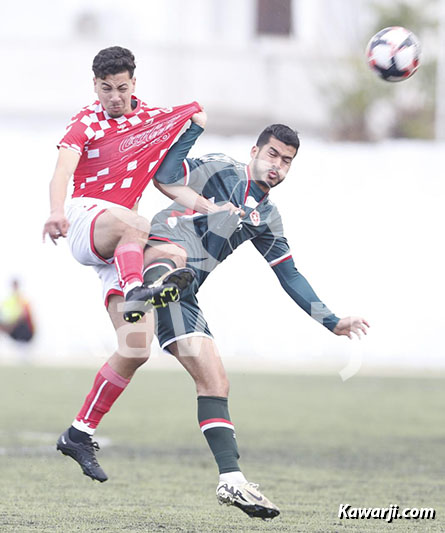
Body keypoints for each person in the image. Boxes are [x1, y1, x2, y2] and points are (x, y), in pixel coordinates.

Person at [56, 122, 369, 520]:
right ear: (254, 151)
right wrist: (191, 130)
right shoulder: (222, 170)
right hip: (153, 253)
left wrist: (332, 321)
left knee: (215, 381)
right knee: (174, 263)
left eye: (287, 161)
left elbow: (289, 274)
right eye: (272, 154)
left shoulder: (266, 217)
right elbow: (167, 176)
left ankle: (231, 480)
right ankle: (147, 290)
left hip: (183, 295)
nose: (277, 166)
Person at [42, 45, 213, 323]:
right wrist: (56, 211)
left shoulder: (151, 120)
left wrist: (195, 128)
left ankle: (149, 290)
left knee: (174, 255)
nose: (115, 98)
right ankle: (138, 289)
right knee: (138, 223)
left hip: (124, 243)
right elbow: (61, 172)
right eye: (106, 89)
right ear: (94, 85)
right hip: (88, 218)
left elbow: (165, 178)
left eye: (122, 88)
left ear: (134, 83)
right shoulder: (85, 122)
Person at [0, 278, 35, 345]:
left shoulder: (23, 300)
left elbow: (24, 316)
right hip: (13, 329)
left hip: (25, 330)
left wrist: (10, 326)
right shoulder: (9, 300)